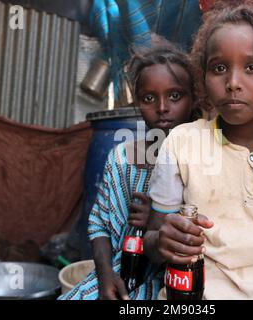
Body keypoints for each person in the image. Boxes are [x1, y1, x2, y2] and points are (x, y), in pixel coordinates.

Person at [144, 3, 253, 299]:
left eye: (252, 67)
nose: (233, 83)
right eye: (219, 68)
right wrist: (163, 241)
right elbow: (153, 241)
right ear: (203, 78)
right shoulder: (181, 143)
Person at [59, 39, 198, 300]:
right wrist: (104, 277)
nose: (162, 108)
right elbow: (99, 223)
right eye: (149, 98)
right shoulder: (122, 158)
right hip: (119, 273)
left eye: (175, 96)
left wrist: (157, 221)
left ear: (193, 98)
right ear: (137, 102)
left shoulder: (203, 159)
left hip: (175, 282)